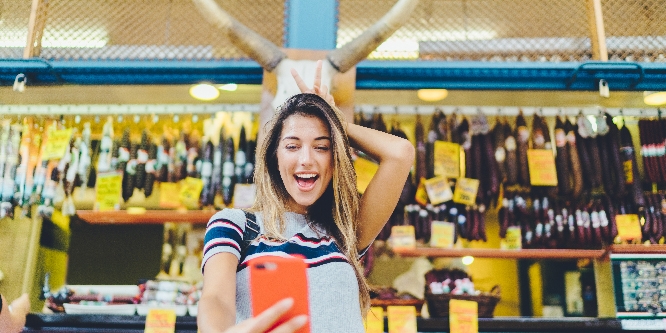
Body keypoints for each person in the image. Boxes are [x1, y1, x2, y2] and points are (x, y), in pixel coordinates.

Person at [198, 60, 415, 333]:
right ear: (274, 156)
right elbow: (216, 298)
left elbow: (400, 153)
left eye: (321, 147)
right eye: (292, 146)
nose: (306, 159)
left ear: (334, 159)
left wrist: (336, 121)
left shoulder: (345, 232)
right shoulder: (236, 225)